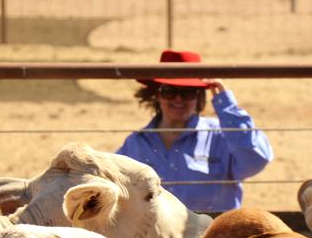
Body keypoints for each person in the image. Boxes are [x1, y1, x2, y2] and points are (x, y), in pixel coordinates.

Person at [116, 49, 273, 212]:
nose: (178, 99)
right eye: (170, 91)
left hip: (212, 234)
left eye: (188, 92)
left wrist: (227, 106)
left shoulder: (222, 136)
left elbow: (256, 159)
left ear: (199, 97)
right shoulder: (136, 143)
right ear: (158, 94)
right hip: (153, 234)